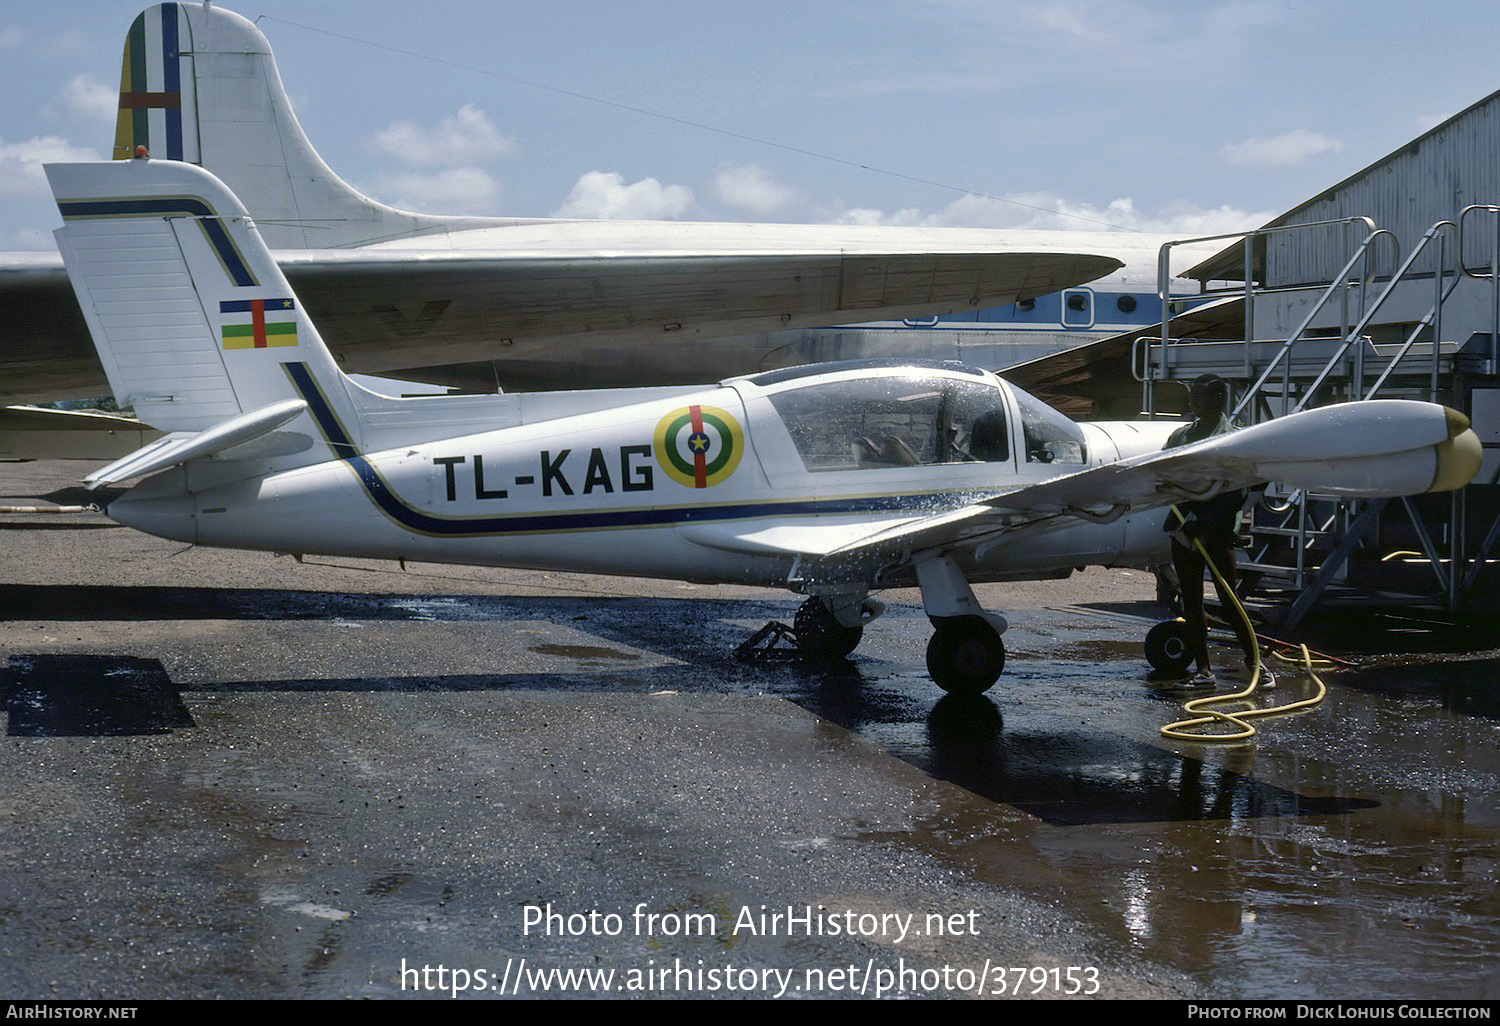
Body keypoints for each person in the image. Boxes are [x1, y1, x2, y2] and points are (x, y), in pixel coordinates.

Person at [1161, 374, 1264, 687]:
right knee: (1191, 603)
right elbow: (1167, 478)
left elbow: (1238, 492)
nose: (1192, 402)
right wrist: (1179, 516)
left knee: (1230, 601)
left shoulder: (1234, 440)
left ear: (1218, 400)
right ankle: (1203, 671)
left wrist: (1204, 524)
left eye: (1200, 396)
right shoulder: (1180, 437)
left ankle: (1256, 663)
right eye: (1192, 395)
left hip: (1216, 534)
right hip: (1184, 532)